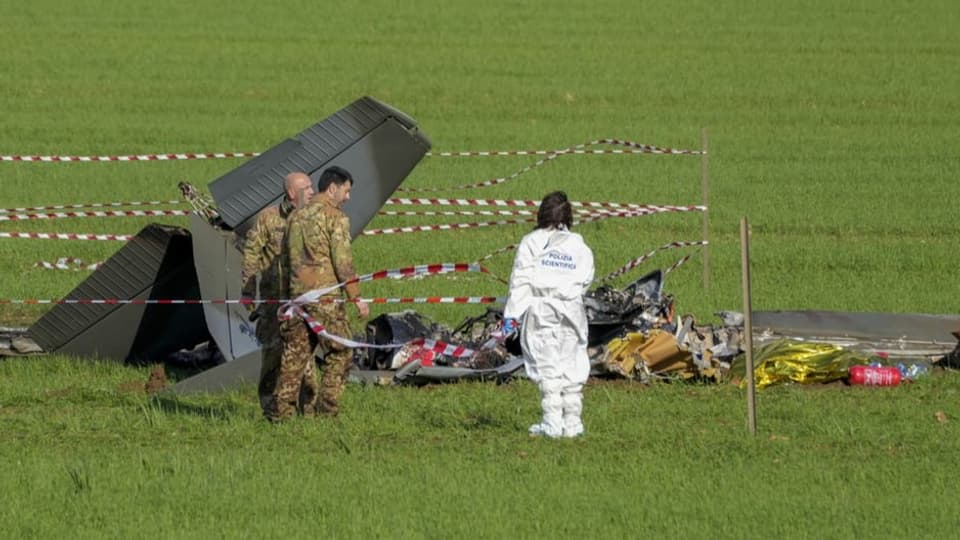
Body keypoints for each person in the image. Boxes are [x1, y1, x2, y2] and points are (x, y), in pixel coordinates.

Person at [276, 166, 370, 420]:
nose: (348, 197)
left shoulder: (295, 216)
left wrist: (286, 300)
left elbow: (284, 261)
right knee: (341, 351)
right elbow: (343, 262)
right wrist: (356, 298)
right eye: (346, 191)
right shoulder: (335, 217)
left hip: (297, 298)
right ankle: (327, 411)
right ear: (332, 188)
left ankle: (280, 414)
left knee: (294, 358)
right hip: (325, 298)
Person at [502, 191, 595, 438]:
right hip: (573, 309)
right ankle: (573, 424)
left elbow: (520, 282)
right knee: (572, 360)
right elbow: (586, 278)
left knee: (547, 363)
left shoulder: (531, 242)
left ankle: (552, 424)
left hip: (542, 308)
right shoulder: (579, 244)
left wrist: (511, 318)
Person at [240, 171, 315, 420]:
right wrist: (248, 292)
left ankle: (309, 410)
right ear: (292, 193)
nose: (313, 191)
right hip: (274, 302)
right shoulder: (269, 219)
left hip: (303, 300)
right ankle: (270, 407)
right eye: (307, 187)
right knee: (272, 355)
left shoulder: (313, 218)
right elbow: (251, 254)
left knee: (306, 357)